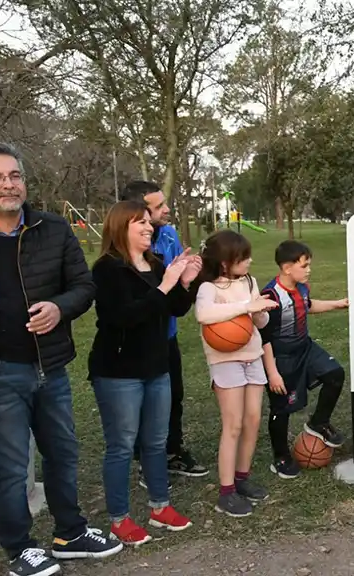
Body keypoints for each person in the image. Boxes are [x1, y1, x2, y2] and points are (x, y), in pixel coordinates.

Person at [0, 141, 123, 576]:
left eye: (14, 175)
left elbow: (84, 286)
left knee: (62, 453)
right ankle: (20, 547)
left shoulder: (53, 228)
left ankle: (69, 533)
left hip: (50, 367)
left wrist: (60, 307)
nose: (8, 184)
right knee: (10, 469)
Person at [88, 200, 199, 545]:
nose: (150, 228)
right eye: (141, 223)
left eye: (149, 224)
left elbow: (174, 310)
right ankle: (119, 519)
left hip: (156, 365)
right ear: (121, 227)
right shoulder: (107, 269)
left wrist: (185, 283)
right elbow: (123, 317)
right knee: (121, 445)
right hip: (119, 372)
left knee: (155, 441)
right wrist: (165, 285)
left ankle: (160, 507)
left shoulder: (155, 263)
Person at [121, 180, 208, 478]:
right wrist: (169, 283)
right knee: (144, 403)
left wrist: (187, 280)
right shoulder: (121, 254)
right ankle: (147, 459)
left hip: (166, 335)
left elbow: (176, 301)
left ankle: (172, 451)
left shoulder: (169, 236)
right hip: (135, 343)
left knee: (174, 395)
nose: (167, 209)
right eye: (158, 207)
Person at [193, 230, 278, 517]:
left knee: (252, 419)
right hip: (225, 360)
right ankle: (226, 492)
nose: (249, 261)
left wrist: (261, 311)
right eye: (243, 258)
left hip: (252, 356)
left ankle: (242, 478)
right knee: (233, 424)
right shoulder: (208, 288)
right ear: (225, 262)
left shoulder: (249, 281)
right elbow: (204, 315)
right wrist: (246, 306)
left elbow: (259, 320)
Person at [260, 240, 350, 479]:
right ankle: (280, 457)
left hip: (305, 348)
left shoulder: (301, 287)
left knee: (335, 373)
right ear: (287, 268)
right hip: (281, 357)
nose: (309, 269)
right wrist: (273, 373)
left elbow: (306, 306)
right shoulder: (270, 295)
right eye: (305, 265)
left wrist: (337, 304)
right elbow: (263, 337)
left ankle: (319, 422)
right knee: (282, 408)